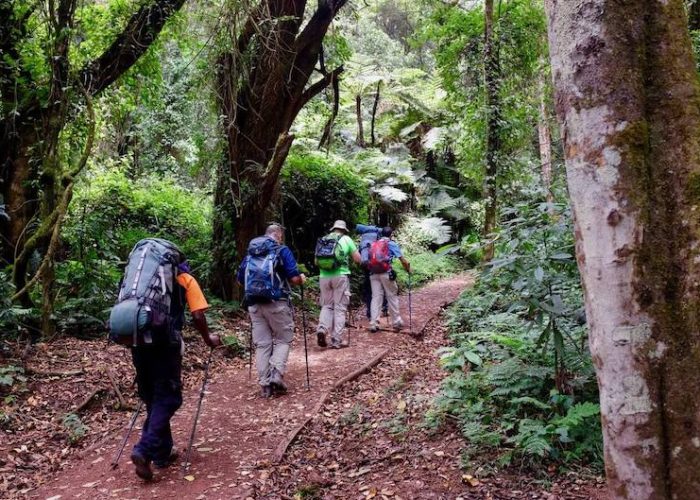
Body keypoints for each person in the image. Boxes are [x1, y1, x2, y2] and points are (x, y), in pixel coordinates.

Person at [129, 254, 221, 482]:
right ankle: (144, 449)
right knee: (169, 398)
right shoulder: (184, 278)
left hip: (137, 341)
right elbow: (198, 314)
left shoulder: (139, 280)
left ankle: (162, 452)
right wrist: (208, 338)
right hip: (164, 343)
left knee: (152, 397)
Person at [237, 223, 306, 398]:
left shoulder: (251, 253)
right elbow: (293, 278)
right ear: (278, 235)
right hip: (277, 303)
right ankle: (276, 374)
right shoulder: (281, 250)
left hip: (254, 304)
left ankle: (265, 385)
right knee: (283, 338)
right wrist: (301, 279)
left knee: (262, 344)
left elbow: (240, 280)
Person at [316, 220, 361, 348]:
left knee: (327, 306)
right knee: (340, 307)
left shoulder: (324, 239)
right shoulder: (346, 239)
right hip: (340, 276)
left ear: (333, 228)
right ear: (344, 230)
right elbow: (358, 259)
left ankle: (322, 329)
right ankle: (336, 340)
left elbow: (316, 260)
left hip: (324, 276)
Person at [363, 226, 411, 333]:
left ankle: (373, 323)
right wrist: (408, 269)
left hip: (373, 274)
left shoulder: (374, 244)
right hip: (386, 273)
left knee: (376, 297)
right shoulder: (391, 244)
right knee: (391, 295)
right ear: (391, 234)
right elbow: (403, 260)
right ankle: (396, 322)